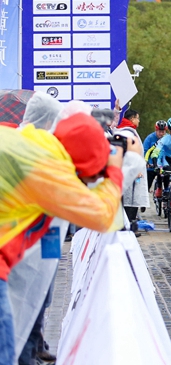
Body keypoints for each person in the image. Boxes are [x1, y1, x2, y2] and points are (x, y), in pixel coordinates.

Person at [0, 113, 133, 364]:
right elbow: (102, 215)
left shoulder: (32, 141)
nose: (88, 184)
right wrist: (115, 170)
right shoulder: (48, 167)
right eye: (90, 177)